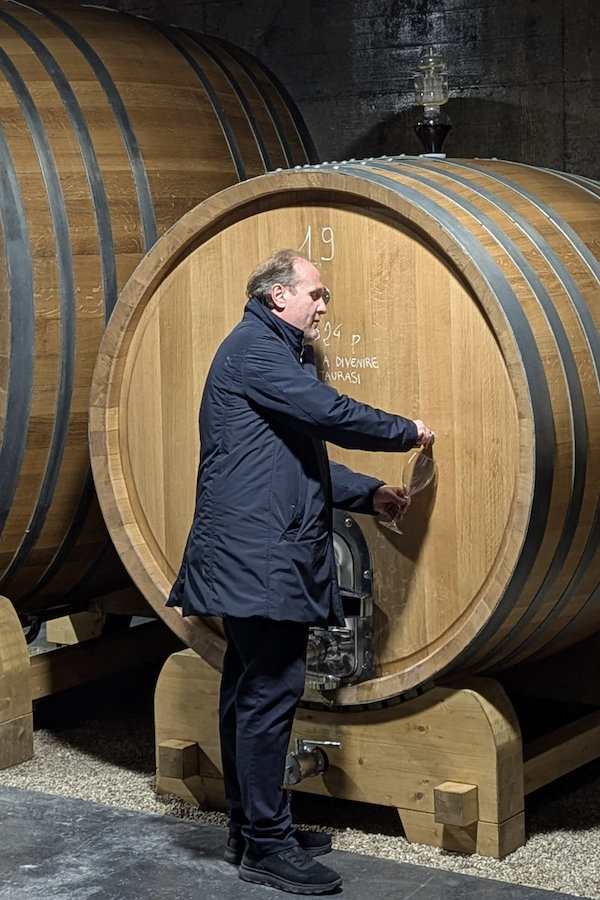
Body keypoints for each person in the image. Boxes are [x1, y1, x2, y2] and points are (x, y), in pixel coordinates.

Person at [167, 249, 434, 895]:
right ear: (277, 295)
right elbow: (331, 415)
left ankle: (249, 826)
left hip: (253, 550)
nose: (323, 304)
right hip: (258, 557)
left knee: (248, 687)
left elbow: (293, 461)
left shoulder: (268, 353)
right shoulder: (257, 350)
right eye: (316, 293)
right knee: (270, 690)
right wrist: (407, 432)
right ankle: (266, 844)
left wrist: (368, 494)